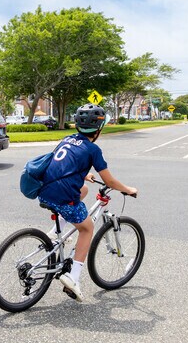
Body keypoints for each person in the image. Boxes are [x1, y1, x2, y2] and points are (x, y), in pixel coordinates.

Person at [38, 104, 137, 302]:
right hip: (63, 197)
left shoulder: (67, 139)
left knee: (82, 190)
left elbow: (61, 165)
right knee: (87, 228)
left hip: (44, 191)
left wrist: (84, 175)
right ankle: (73, 278)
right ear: (98, 129)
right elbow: (109, 182)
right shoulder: (93, 149)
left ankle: (57, 232)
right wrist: (127, 189)